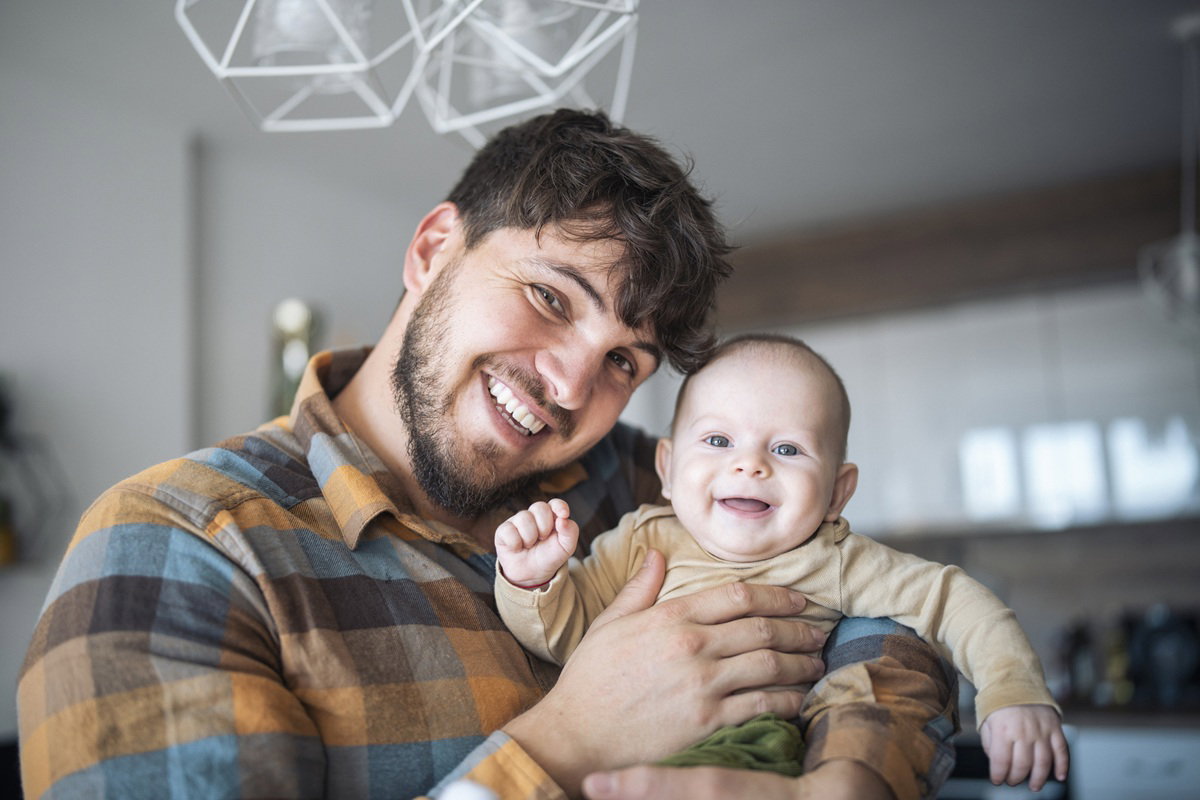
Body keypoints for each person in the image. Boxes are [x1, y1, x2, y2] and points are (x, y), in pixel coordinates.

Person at [18, 110, 956, 800]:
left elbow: (878, 617)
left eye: (623, 360)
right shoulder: (176, 547)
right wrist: (567, 741)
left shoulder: (643, 483)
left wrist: (851, 776)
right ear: (433, 250)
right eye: (551, 298)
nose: (569, 385)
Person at [496, 334, 1069, 792]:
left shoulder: (836, 559)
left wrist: (1012, 692)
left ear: (837, 493)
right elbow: (564, 636)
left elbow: (953, 601)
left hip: (751, 752)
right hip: (611, 758)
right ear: (667, 469)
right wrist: (534, 580)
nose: (749, 465)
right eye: (718, 441)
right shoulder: (638, 542)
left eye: (787, 449)